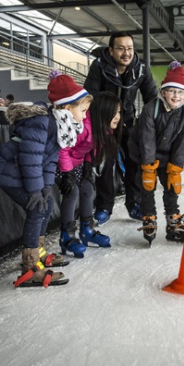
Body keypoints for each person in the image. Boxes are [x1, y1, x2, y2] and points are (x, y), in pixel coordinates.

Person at [0, 70, 91, 286]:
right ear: (67, 107)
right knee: (37, 208)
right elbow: (30, 159)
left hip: (22, 171)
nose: (85, 116)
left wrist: (44, 187)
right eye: (83, 110)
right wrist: (35, 191)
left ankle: (39, 252)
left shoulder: (60, 125)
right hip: (7, 170)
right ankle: (30, 268)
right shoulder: (42, 122)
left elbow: (48, 161)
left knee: (47, 202)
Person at [83, 32, 158, 224]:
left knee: (134, 165)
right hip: (104, 124)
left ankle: (134, 204)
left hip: (129, 123)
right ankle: (104, 207)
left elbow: (151, 98)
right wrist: (100, 121)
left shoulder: (141, 69)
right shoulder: (99, 67)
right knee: (106, 165)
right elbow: (90, 96)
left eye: (130, 48)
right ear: (111, 50)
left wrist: (146, 123)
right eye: (121, 48)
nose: (127, 53)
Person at [128, 61, 184, 246]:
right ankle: (149, 216)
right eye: (172, 91)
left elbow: (183, 143)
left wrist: (176, 167)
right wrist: (148, 166)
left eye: (180, 92)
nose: (176, 96)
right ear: (164, 92)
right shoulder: (151, 108)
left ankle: (173, 221)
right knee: (147, 186)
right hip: (144, 153)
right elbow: (146, 139)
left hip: (169, 156)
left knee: (172, 186)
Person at [57, 88, 118, 259]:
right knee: (73, 191)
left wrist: (88, 164)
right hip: (60, 164)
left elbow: (93, 148)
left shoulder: (103, 129)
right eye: (115, 113)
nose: (118, 117)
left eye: (119, 112)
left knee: (87, 188)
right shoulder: (83, 127)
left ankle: (87, 229)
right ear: (103, 112)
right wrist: (68, 173)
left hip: (77, 163)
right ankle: (67, 236)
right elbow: (64, 148)